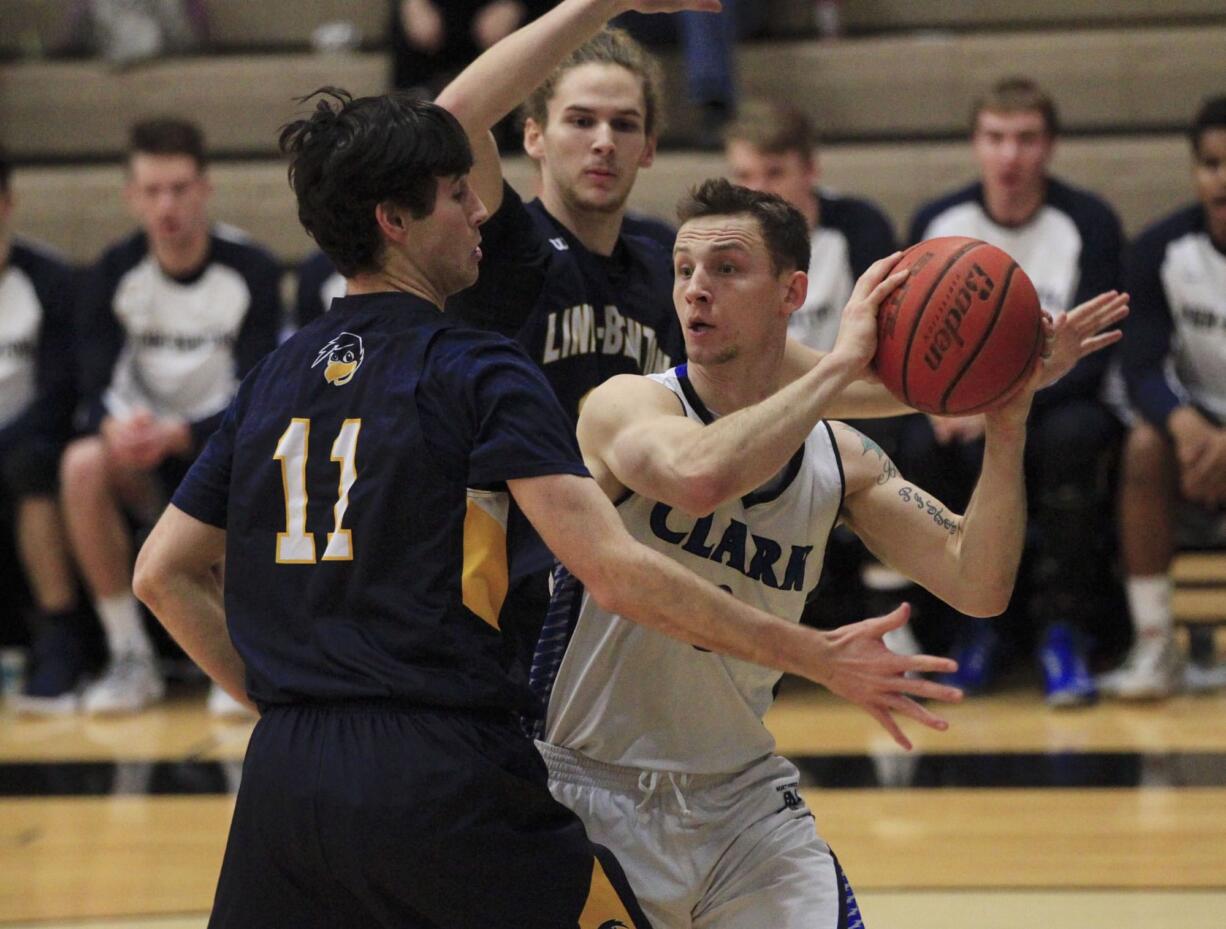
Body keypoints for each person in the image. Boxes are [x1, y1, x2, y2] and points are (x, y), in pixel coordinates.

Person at [131, 86, 960, 929]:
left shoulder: (276, 372)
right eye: (458, 195)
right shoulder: (480, 368)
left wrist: (282, 705)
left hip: (283, 781)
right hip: (440, 775)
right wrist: (814, 652)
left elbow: (161, 572)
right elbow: (615, 572)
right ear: (395, 220)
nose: (479, 211)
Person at [531, 178, 1127, 929]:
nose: (696, 291)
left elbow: (979, 584)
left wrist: (1007, 421)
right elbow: (698, 476)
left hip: (741, 803)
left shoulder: (844, 460)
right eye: (684, 270)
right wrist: (841, 366)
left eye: (725, 267)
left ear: (793, 292)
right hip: (588, 792)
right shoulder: (629, 405)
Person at [438, 0, 908, 675]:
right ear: (533, 136)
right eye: (580, 120)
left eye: (624, 124)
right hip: (503, 596)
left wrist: (1000, 379)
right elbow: (454, 117)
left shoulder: (670, 263)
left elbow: (822, 374)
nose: (604, 140)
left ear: (650, 147)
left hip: (632, 604)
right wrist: (598, 5)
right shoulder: (500, 242)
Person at [905, 76, 1126, 706]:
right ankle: (964, 628)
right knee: (915, 445)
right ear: (976, 144)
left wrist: (999, 408)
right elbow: (910, 342)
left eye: (1026, 139)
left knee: (1073, 437)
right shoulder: (938, 221)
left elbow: (1090, 356)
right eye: (996, 138)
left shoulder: (1088, 221)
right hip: (962, 408)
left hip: (1060, 400)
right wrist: (947, 405)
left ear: (1050, 147)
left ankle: (1066, 630)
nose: (1010, 155)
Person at [62, 117, 281, 715]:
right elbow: (96, 383)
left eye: (180, 188)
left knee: (256, 459)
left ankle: (234, 656)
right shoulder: (111, 273)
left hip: (217, 445)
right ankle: (128, 654)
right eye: (153, 190)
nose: (168, 205)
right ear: (131, 195)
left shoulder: (251, 270)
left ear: (205, 187)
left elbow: (260, 392)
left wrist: (184, 434)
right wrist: (115, 427)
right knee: (82, 463)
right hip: (142, 455)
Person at [1103, 94, 1226, 699]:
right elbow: (1140, 365)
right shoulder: (1159, 250)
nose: (1223, 179)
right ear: (1195, 171)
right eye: (1211, 164)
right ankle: (1155, 642)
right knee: (1144, 445)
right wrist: (1187, 428)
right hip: (1196, 429)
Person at [0, 151, 91, 714]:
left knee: (31, 464)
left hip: (28, 442)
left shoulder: (48, 278)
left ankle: (61, 634)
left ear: (7, 204)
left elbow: (61, 391)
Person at [724, 99, 897, 354]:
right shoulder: (717, 243)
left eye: (774, 173)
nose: (757, 191)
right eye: (744, 176)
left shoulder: (861, 227)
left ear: (811, 170)